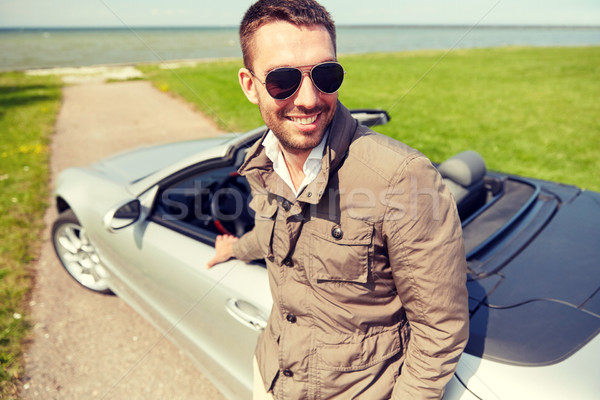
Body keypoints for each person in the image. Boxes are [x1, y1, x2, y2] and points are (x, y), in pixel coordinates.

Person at [207, 0, 469, 398]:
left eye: (326, 74)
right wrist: (236, 249)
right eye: (283, 80)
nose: (310, 99)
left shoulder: (402, 178)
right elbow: (275, 237)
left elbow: (439, 330)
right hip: (271, 376)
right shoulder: (263, 164)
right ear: (249, 85)